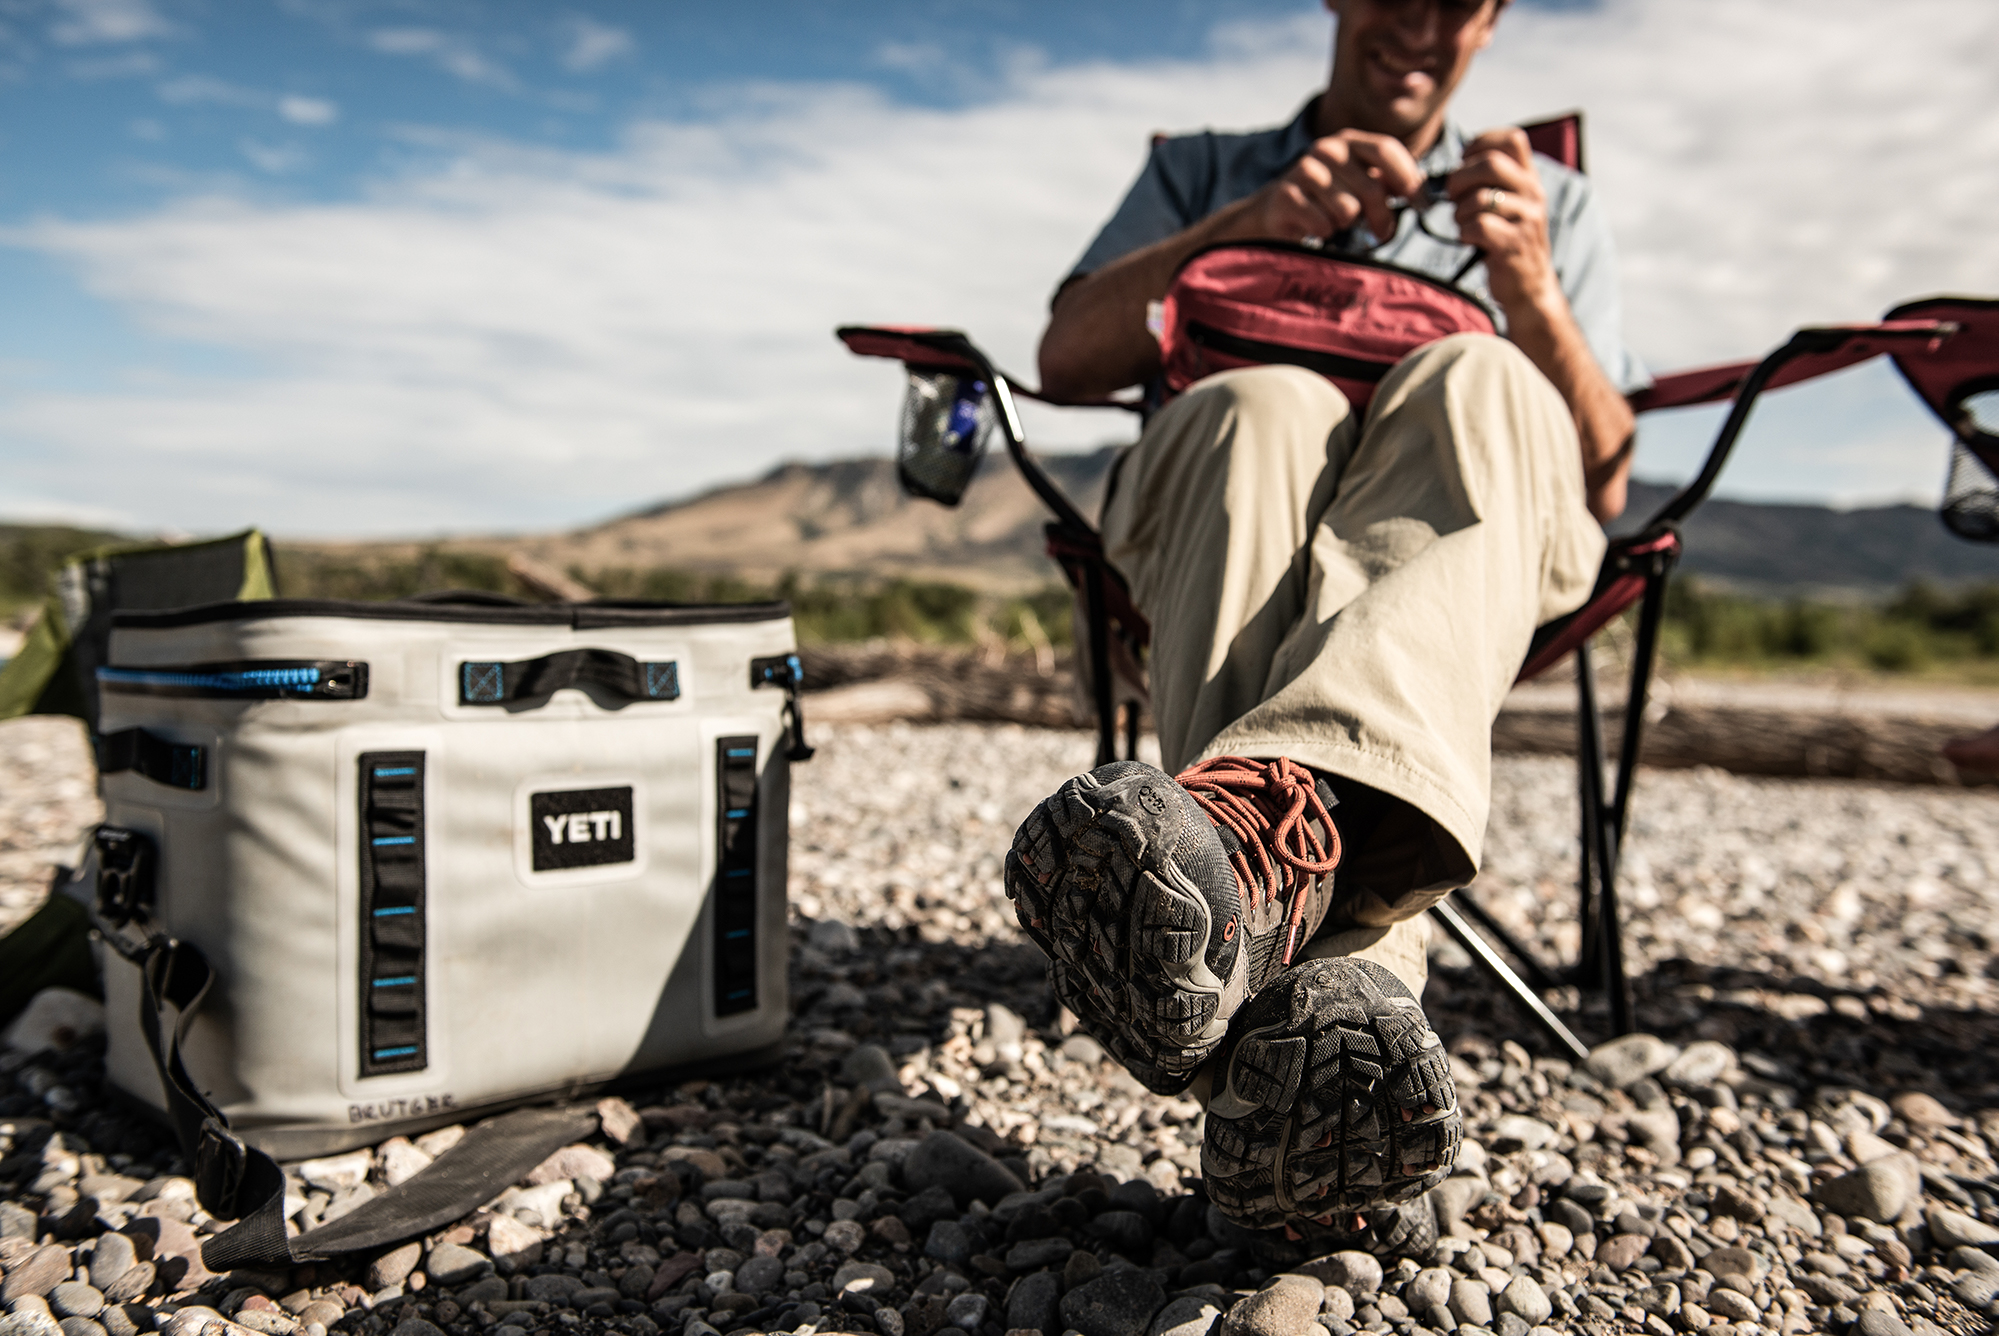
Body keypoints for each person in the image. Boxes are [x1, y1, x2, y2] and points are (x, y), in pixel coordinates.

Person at [1004, 0, 1650, 1257]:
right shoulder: (1202, 167)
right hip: (1226, 492)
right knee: (1264, 409)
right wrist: (1247, 225)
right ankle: (1334, 1041)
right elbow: (1069, 352)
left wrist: (1525, 286)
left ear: (1493, 19)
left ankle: (1236, 870)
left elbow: (1608, 477)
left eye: (1454, 0)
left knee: (1481, 377)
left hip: (1484, 520)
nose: (1416, 19)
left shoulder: (1547, 199)